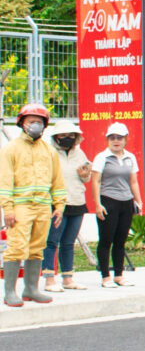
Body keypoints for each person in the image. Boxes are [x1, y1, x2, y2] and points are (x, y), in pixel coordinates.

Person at [0, 104, 67, 306]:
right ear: (22, 123)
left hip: (43, 207)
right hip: (20, 207)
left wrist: (59, 206)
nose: (35, 125)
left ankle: (31, 289)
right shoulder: (11, 149)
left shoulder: (49, 151)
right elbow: (4, 181)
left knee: (37, 248)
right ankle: (10, 292)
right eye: (31, 121)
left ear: (45, 125)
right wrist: (7, 208)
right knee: (16, 247)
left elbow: (57, 181)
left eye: (39, 121)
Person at [91, 122, 143, 288]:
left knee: (120, 241)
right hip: (108, 201)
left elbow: (133, 181)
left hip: (126, 203)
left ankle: (119, 275)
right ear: (107, 139)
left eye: (119, 138)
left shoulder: (130, 157)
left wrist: (139, 202)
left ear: (125, 139)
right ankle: (105, 276)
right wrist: (98, 204)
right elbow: (96, 181)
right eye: (112, 138)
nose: (116, 141)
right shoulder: (102, 157)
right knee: (106, 240)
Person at [41, 120, 91, 292]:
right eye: (63, 135)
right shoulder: (49, 152)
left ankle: (68, 279)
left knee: (68, 242)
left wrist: (85, 175)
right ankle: (49, 279)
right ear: (56, 137)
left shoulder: (80, 153)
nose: (67, 138)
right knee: (51, 241)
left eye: (71, 135)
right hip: (56, 203)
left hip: (77, 201)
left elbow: (86, 177)